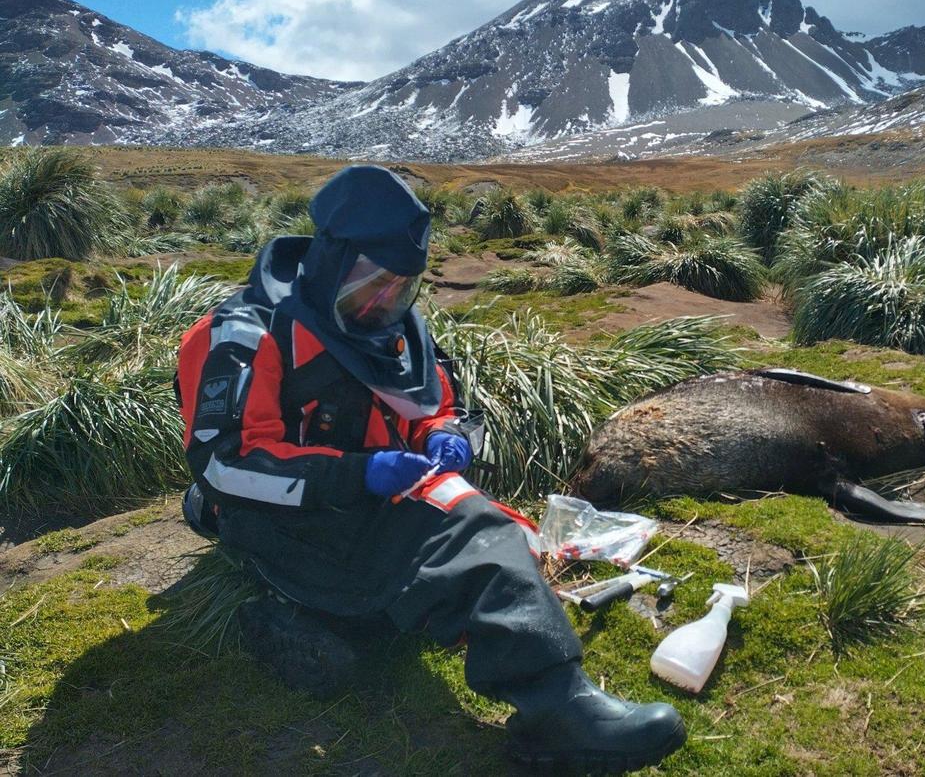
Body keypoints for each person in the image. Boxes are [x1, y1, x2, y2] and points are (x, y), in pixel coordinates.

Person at [174, 165, 686, 771]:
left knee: (500, 532)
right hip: (278, 517)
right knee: (470, 527)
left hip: (363, 504)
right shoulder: (242, 336)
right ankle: (558, 709)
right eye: (373, 281)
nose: (385, 300)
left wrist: (447, 435)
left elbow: (441, 407)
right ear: (331, 259)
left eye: (402, 286)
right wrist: (358, 473)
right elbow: (224, 464)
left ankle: (346, 617)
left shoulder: (392, 328)